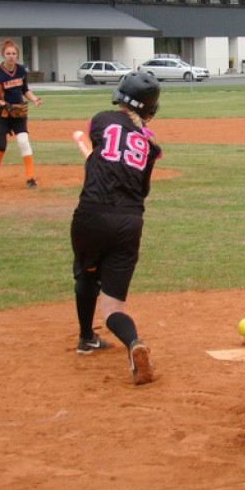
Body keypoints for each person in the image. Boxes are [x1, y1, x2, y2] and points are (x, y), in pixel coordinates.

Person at [71, 70, 163, 385]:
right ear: (150, 108)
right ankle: (133, 342)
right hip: (129, 222)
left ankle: (86, 337)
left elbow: (103, 147)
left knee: (87, 274)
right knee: (112, 308)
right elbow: (142, 189)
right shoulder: (151, 145)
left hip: (92, 214)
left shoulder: (101, 120)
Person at [0, 39, 43, 189]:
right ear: (3, 55)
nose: (11, 56)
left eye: (13, 53)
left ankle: (30, 178)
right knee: (1, 146)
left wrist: (34, 99)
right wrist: (4, 104)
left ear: (17, 55)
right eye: (8, 53)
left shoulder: (21, 70)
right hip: (0, 113)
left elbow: (25, 90)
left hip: (17, 111)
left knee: (23, 141)